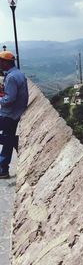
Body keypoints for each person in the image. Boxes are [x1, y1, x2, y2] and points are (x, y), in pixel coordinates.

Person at [0, 51, 27, 179]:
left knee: (7, 139)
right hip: (15, 113)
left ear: (6, 62)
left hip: (9, 114)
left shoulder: (11, 77)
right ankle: (3, 169)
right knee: (7, 138)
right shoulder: (18, 73)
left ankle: (13, 141)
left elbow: (9, 100)